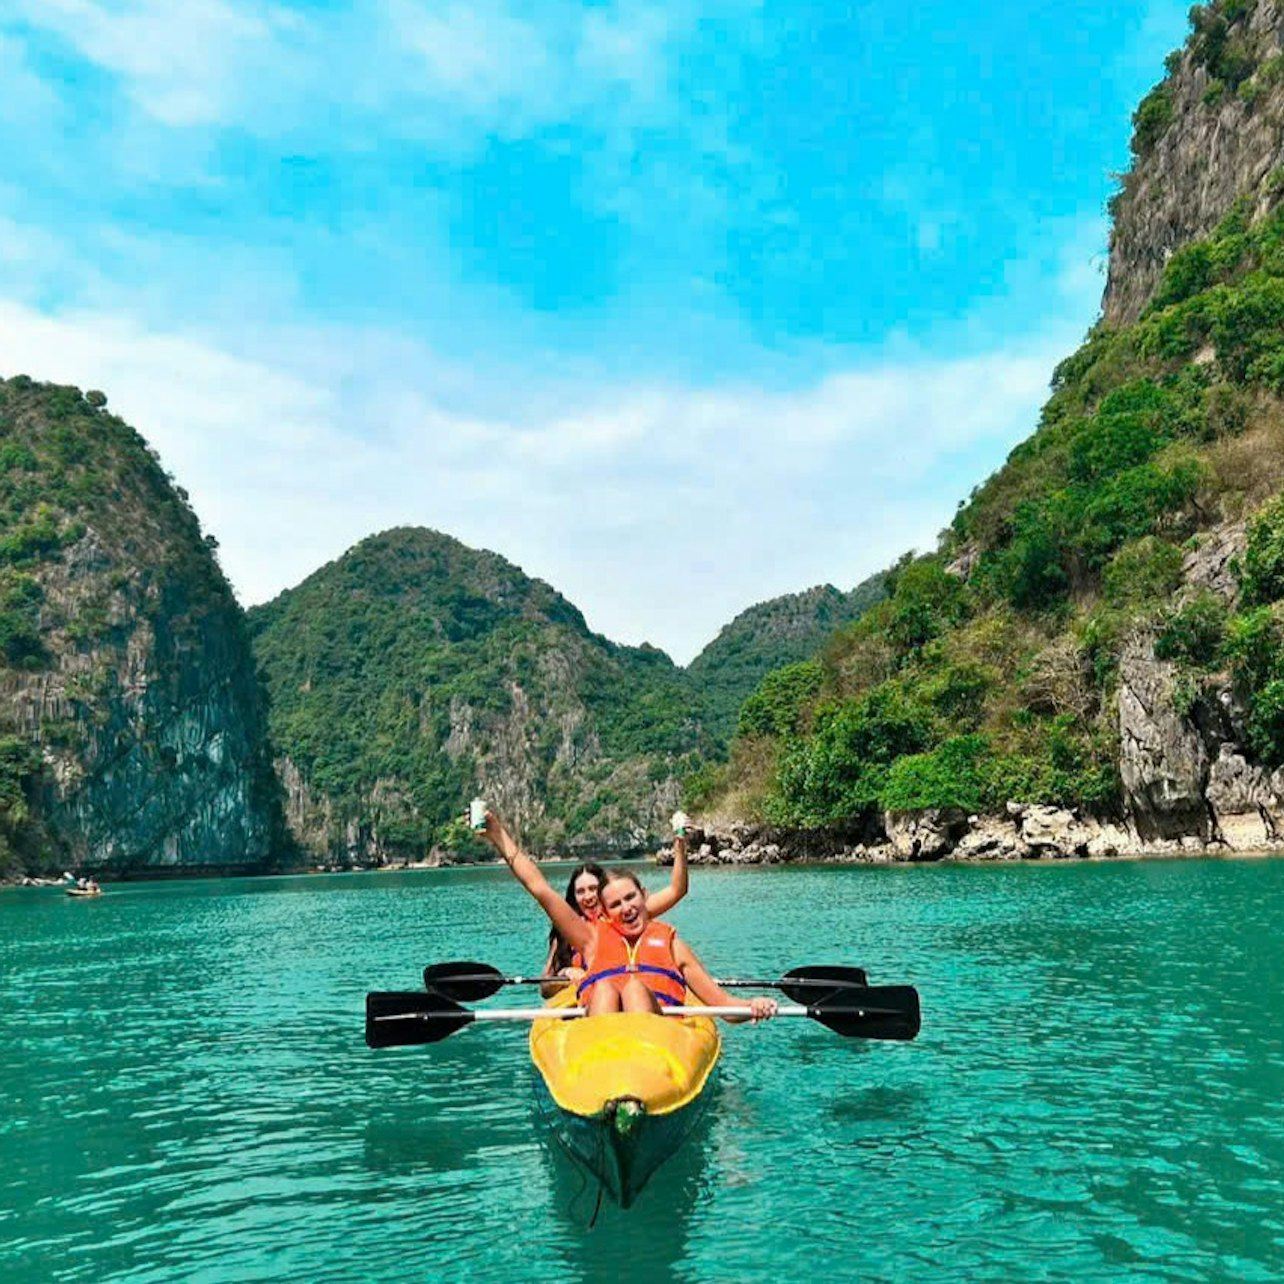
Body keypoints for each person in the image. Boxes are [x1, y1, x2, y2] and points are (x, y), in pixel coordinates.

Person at [480, 810, 776, 1023]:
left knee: (634, 987)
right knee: (606, 988)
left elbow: (723, 1005)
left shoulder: (671, 944)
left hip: (656, 1044)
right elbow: (540, 888)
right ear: (606, 912)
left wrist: (753, 1005)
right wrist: (498, 836)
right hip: (606, 1045)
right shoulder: (592, 938)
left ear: (644, 898)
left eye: (631, 898)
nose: (626, 908)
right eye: (616, 904)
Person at [541, 820, 690, 991]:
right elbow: (544, 987)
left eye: (593, 889)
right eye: (581, 892)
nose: (588, 896)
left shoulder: (625, 916)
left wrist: (679, 849)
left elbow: (677, 890)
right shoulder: (567, 930)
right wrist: (565, 973)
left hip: (627, 993)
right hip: (581, 1004)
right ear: (574, 897)